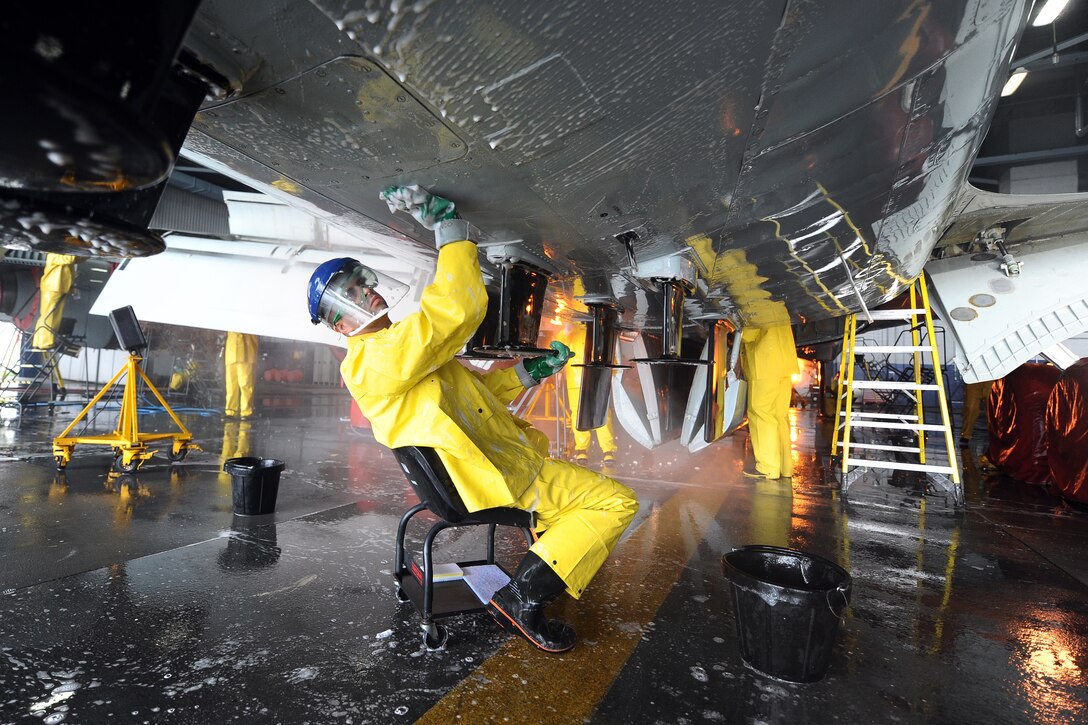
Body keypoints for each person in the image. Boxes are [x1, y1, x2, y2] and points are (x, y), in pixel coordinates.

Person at [307, 184, 638, 653]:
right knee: (616, 502)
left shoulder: (399, 352)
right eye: (351, 294)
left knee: (584, 500)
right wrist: (451, 233)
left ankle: (546, 565)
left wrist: (530, 372)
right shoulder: (373, 361)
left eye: (363, 284)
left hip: (493, 470)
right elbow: (456, 312)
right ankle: (521, 597)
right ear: (339, 324)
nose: (368, 293)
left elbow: (478, 398)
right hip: (492, 477)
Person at [740, 322, 797, 480]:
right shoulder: (779, 307)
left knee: (761, 413)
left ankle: (768, 467)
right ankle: (785, 468)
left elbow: (748, 334)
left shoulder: (756, 305)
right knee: (779, 416)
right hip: (785, 366)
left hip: (765, 366)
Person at [557, 322, 617, 464]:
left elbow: (608, 350)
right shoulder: (572, 329)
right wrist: (564, 333)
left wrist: (611, 370)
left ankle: (607, 450)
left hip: (597, 377)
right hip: (577, 379)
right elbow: (557, 348)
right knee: (579, 414)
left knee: (602, 412)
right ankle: (582, 449)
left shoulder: (599, 327)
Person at [224, 331, 258, 419]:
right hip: (232, 353)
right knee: (231, 385)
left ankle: (246, 412)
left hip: (246, 352)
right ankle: (231, 411)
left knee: (245, 384)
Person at [959, 379, 994, 445]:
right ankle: (966, 434)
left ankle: (996, 434)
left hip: (990, 381)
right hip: (973, 381)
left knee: (992, 409)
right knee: (970, 408)